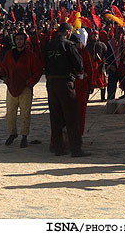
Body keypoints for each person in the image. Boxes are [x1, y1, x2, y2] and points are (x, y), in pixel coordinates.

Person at [44, 23, 90, 157]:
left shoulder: (49, 45)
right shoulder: (68, 45)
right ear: (68, 32)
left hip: (51, 83)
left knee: (55, 117)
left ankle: (58, 147)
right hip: (65, 82)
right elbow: (79, 63)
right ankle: (76, 148)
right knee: (71, 116)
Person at [0, 31, 43, 148]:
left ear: (25, 41)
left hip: (25, 88)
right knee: (10, 113)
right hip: (11, 87)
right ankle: (12, 133)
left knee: (25, 113)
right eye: (17, 39)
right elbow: (2, 67)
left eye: (21, 39)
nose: (19, 41)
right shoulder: (9, 54)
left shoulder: (31, 55)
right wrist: (4, 77)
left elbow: (38, 71)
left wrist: (30, 82)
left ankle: (24, 135)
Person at [86, 30, 107, 101]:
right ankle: (86, 98)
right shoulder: (88, 46)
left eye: (96, 36)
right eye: (93, 36)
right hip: (91, 67)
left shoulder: (102, 45)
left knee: (102, 84)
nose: (95, 37)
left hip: (100, 66)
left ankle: (103, 98)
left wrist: (103, 61)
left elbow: (106, 54)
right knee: (89, 84)